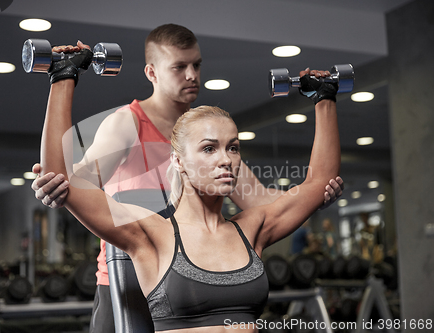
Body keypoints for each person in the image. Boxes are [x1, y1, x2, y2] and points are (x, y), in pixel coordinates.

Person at [32, 24, 344, 332]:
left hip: (202, 259)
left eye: (196, 65)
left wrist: (313, 194)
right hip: (129, 271)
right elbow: (73, 180)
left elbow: (260, 199)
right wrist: (64, 78)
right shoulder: (127, 123)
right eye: (179, 67)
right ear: (152, 73)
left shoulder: (210, 135)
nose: (192, 75)